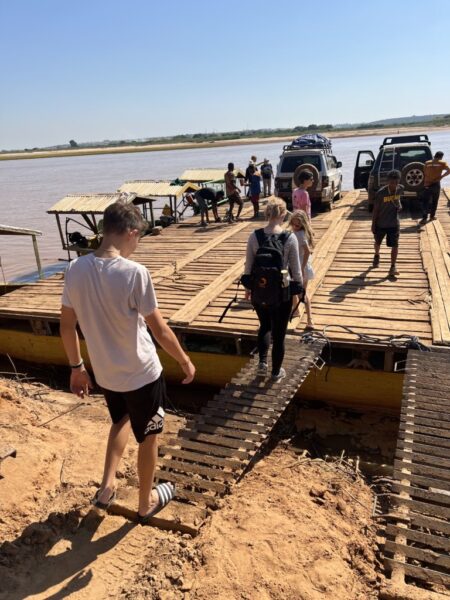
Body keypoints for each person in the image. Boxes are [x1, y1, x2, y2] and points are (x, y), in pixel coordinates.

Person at [60, 201, 196, 523]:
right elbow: (160, 330)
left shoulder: (74, 269)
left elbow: (67, 326)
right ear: (131, 233)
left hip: (105, 375)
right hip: (142, 376)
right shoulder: (135, 273)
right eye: (139, 239)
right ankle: (145, 502)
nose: (137, 246)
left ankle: (107, 487)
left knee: (120, 420)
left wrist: (77, 368)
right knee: (150, 435)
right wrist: (185, 361)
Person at [243, 197, 302, 382]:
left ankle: (262, 363)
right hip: (281, 294)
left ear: (267, 213)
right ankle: (276, 372)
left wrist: (249, 288)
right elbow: (296, 270)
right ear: (284, 214)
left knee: (264, 327)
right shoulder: (289, 237)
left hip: (259, 291)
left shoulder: (255, 236)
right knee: (279, 334)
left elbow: (248, 267)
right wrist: (298, 291)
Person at [371, 170, 403, 278]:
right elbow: (375, 210)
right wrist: (373, 224)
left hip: (394, 223)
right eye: (392, 182)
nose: (394, 184)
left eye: (396, 182)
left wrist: (400, 206)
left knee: (395, 245)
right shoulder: (381, 193)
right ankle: (376, 254)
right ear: (388, 181)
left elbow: (399, 201)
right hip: (381, 223)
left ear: (399, 181)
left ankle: (393, 266)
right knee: (377, 242)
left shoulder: (400, 189)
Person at [289, 210, 315, 328]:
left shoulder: (299, 235)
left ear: (302, 224)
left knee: (302, 294)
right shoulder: (302, 232)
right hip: (297, 267)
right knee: (292, 289)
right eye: (293, 224)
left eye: (297, 225)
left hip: (300, 268)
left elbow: (308, 252)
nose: (294, 227)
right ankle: (295, 311)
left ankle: (310, 319)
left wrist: (302, 267)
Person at [419, 151, 450, 225]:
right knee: (435, 201)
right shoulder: (442, 163)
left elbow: (425, 172)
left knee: (425, 202)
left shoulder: (427, 163)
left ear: (434, 156)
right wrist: (441, 176)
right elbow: (449, 170)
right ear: (441, 157)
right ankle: (432, 216)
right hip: (436, 184)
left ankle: (424, 218)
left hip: (427, 184)